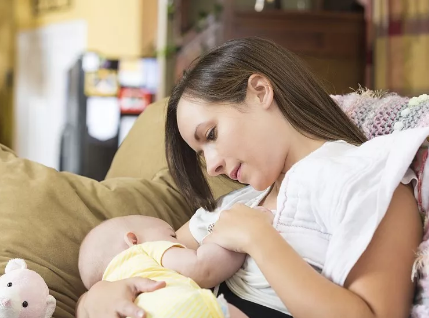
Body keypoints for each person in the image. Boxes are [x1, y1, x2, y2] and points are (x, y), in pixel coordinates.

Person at [76, 37, 423, 318]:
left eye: (210, 135)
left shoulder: (368, 174)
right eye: (200, 154)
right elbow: (137, 254)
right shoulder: (233, 206)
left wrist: (259, 238)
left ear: (260, 91)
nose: (211, 167)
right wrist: (97, 295)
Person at [78, 215, 254, 318]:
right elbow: (203, 268)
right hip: (183, 310)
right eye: (172, 236)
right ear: (133, 240)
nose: (180, 243)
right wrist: (240, 234)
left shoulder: (113, 291)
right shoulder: (143, 250)